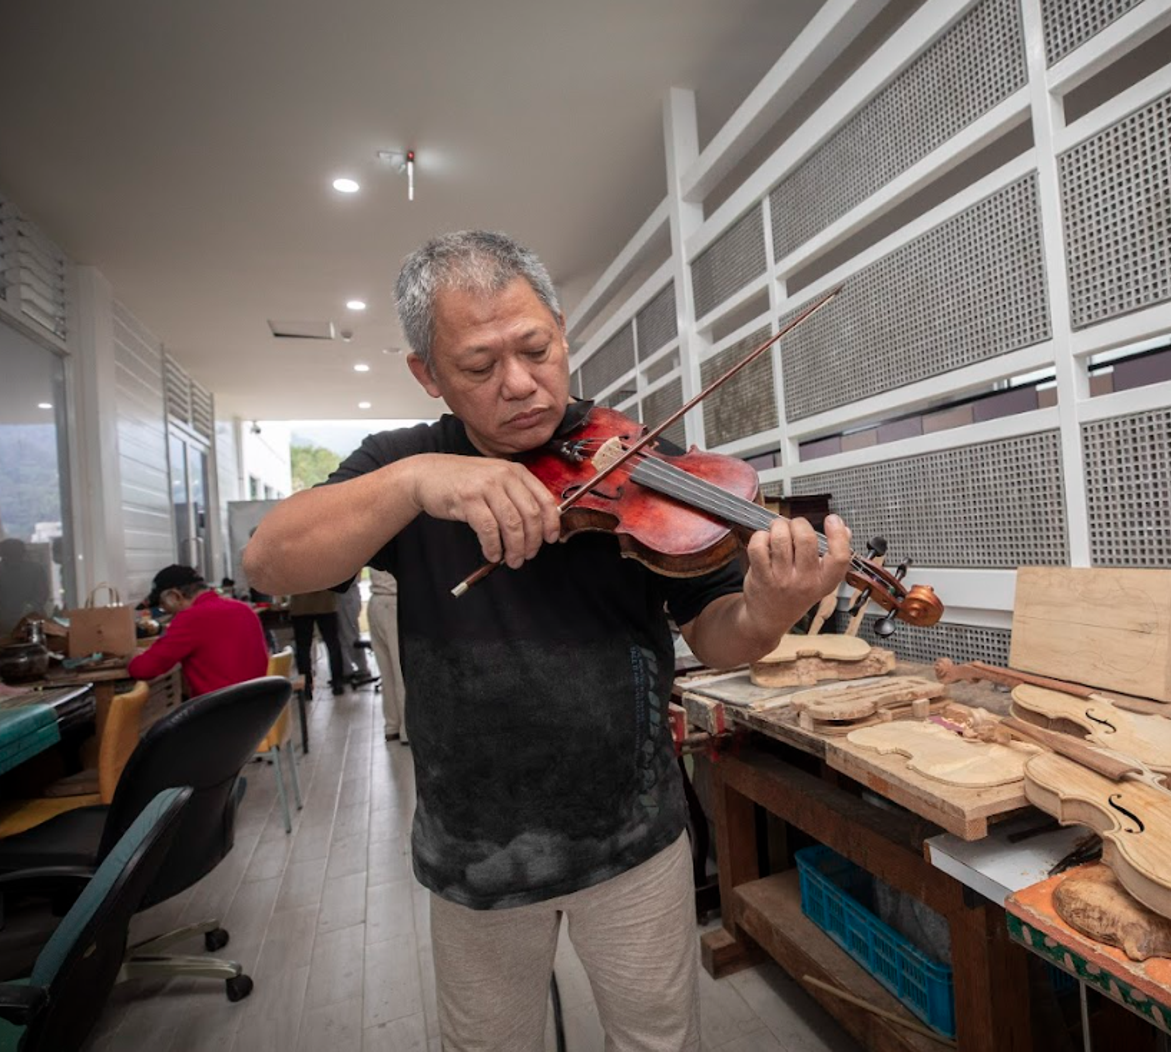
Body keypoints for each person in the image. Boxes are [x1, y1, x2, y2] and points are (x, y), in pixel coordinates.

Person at [243, 230, 849, 1051]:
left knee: (658, 1041)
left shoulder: (638, 459)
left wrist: (770, 612)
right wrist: (421, 483)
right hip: (475, 853)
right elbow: (269, 561)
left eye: (536, 349)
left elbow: (717, 635)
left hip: (634, 834)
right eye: (479, 367)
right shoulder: (404, 465)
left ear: (561, 331)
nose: (522, 386)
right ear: (428, 374)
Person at [128, 564, 268, 698]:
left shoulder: (191, 618)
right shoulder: (243, 609)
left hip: (221, 712)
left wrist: (134, 657)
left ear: (174, 596)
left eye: (163, 607)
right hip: (257, 709)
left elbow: (143, 670)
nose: (169, 613)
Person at [366, 567, 405, 742]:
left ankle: (392, 725)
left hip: (376, 601)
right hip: (393, 600)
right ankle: (406, 729)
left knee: (386, 670)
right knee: (401, 670)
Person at [286, 587, 345, 696]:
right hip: (326, 603)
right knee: (333, 645)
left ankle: (306, 686)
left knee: (303, 648)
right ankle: (337, 683)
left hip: (300, 604)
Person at [0, 538, 51, 636]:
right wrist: (30, 607)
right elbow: (42, 594)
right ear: (23, 552)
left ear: (0, 553)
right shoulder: (36, 569)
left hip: (5, 623)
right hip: (31, 621)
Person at [335, 574, 377, 688]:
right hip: (340, 594)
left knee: (351, 635)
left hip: (348, 592)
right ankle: (347, 670)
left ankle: (362, 668)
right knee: (341, 636)